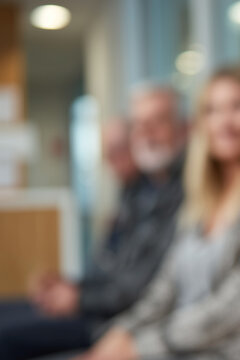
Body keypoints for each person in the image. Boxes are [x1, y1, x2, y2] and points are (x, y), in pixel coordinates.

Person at [79, 67, 240, 360]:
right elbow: (164, 288)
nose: (225, 121)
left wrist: (141, 345)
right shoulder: (202, 196)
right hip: (179, 346)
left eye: (239, 106)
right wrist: (121, 332)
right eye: (212, 110)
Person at [0, 85, 186, 360]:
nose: (147, 133)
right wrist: (71, 287)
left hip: (109, 321)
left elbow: (143, 289)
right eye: (139, 124)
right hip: (101, 309)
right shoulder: (137, 191)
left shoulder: (184, 193)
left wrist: (78, 298)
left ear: (184, 129)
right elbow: (112, 267)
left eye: (158, 121)